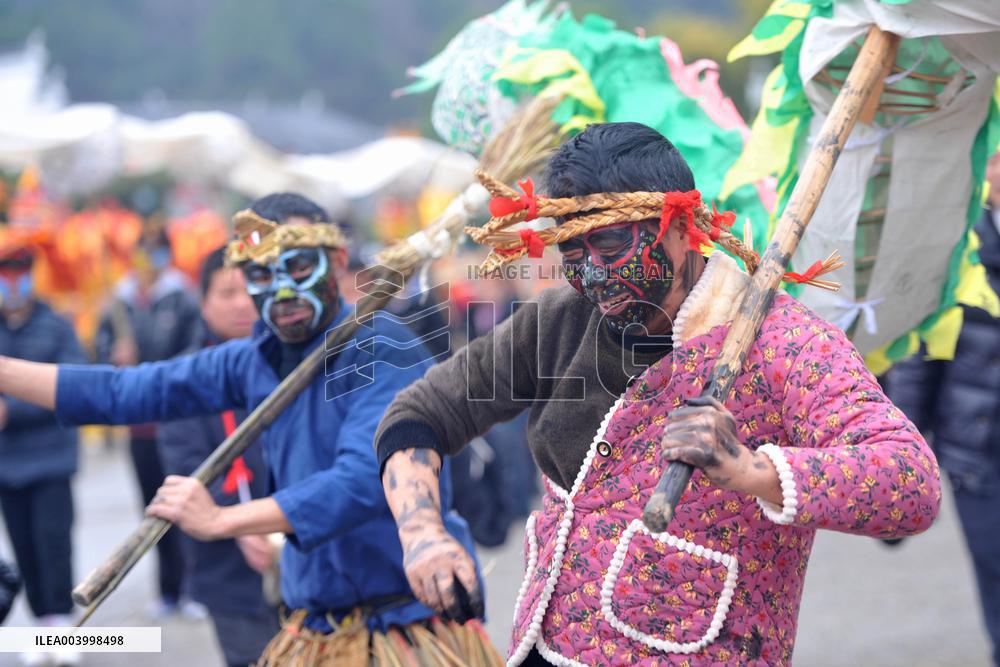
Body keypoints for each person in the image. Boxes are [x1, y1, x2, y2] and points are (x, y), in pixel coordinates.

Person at [376, 122, 942, 666]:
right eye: (573, 253)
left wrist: (750, 470)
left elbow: (910, 481)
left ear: (680, 225)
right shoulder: (559, 321)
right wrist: (423, 534)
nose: (593, 275)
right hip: (542, 648)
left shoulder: (782, 343)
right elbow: (421, 412)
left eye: (612, 244)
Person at [0, 193, 491, 666]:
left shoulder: (381, 348)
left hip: (410, 626)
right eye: (260, 274)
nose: (281, 292)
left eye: (298, 267)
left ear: (337, 260)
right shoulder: (254, 360)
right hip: (315, 628)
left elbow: (363, 479)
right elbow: (123, 391)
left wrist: (222, 520)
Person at [887, 149, 1000, 665]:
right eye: (995, 157)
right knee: (995, 570)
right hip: (979, 454)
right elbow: (920, 359)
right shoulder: (957, 246)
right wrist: (894, 471)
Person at [156, 246, 277, 667]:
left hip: (301, 552)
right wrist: (235, 523)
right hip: (227, 565)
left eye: (252, 289)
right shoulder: (184, 376)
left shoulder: (294, 366)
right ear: (203, 302)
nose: (243, 303)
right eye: (227, 292)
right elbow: (186, 463)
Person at [95, 225, 201, 618]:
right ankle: (166, 591)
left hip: (176, 417)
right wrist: (114, 356)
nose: (150, 260)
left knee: (185, 505)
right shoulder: (120, 301)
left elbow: (195, 352)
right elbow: (102, 350)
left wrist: (158, 371)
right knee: (152, 507)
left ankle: (191, 588)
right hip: (139, 424)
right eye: (145, 251)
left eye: (157, 252)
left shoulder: (182, 298)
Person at [0, 245, 86, 666]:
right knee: (23, 547)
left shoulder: (55, 325)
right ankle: (41, 629)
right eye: (5, 273)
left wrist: (10, 410)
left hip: (50, 457)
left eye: (19, 272)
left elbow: (73, 383)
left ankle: (64, 632)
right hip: (6, 463)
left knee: (54, 544)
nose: (12, 282)